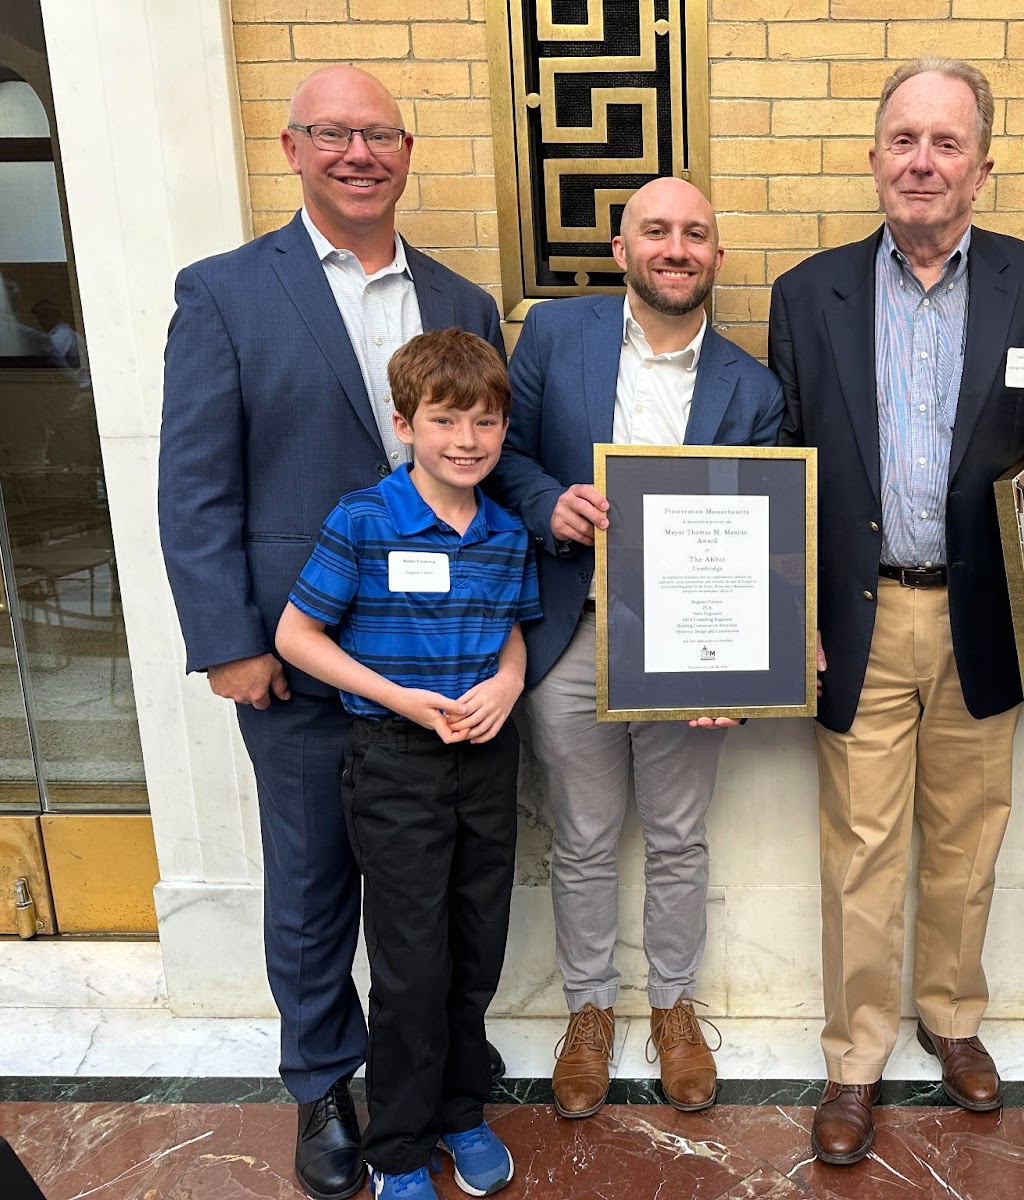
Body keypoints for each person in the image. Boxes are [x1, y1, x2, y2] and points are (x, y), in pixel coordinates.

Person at [157, 65, 506, 1200]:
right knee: (311, 884)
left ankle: (440, 1089)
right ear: (292, 147)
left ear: (407, 152)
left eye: (380, 135)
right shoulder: (224, 292)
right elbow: (195, 484)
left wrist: (553, 504)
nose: (359, 154)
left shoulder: (462, 297)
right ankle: (321, 1086)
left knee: (435, 905)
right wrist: (231, 642)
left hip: (439, 665)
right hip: (294, 658)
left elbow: (495, 453)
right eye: (333, 134)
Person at [768, 57, 1024, 1165]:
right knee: (860, 849)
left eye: (945, 143)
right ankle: (854, 1058)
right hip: (860, 618)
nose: (921, 161)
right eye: (903, 139)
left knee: (969, 834)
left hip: (987, 617)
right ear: (873, 159)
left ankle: (952, 1018)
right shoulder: (806, 291)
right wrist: (790, 612)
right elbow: (787, 468)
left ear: (982, 169)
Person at [487, 176, 783, 1118]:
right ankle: (587, 1013)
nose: (676, 247)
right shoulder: (557, 339)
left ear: (716, 257)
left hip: (690, 651)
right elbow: (509, 458)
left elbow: (774, 532)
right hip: (569, 629)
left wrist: (745, 663)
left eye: (696, 233)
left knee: (678, 838)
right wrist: (549, 505)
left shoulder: (754, 385)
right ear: (622, 249)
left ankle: (672, 1008)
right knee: (578, 837)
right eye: (655, 230)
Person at [276, 328, 536, 1200]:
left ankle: (463, 1111)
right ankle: (396, 1148)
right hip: (393, 764)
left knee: (476, 951)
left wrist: (506, 682)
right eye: (446, 419)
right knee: (411, 966)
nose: (467, 440)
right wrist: (399, 699)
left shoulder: (505, 531)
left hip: (484, 761)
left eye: (487, 423)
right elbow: (296, 636)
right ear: (404, 424)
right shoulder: (364, 518)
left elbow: (510, 632)